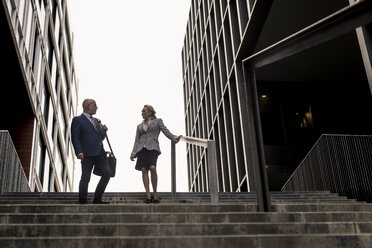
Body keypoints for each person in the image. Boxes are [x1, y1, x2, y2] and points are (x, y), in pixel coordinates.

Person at [130, 105, 181, 203]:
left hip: (153, 148)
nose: (142, 113)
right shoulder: (139, 126)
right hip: (142, 149)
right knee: (144, 170)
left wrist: (174, 138)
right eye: (142, 111)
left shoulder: (158, 121)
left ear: (150, 112)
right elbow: (136, 140)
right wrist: (133, 152)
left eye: (144, 111)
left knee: (152, 168)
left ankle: (155, 194)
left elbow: (165, 131)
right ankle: (148, 195)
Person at [71, 98, 111, 204]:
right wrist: (78, 151)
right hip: (86, 154)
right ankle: (82, 200)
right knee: (85, 176)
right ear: (88, 106)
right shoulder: (78, 120)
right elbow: (75, 137)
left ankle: (97, 198)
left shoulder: (97, 121)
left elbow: (99, 138)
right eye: (95, 105)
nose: (97, 107)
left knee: (107, 173)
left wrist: (103, 131)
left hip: (100, 153)